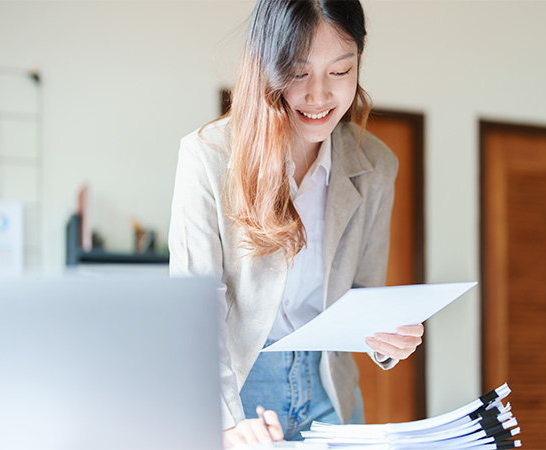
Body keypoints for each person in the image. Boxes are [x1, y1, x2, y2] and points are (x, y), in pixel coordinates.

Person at [168, 0, 424, 447]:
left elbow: (363, 293)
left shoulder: (377, 165)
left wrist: (386, 338)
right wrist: (226, 424)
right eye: (299, 73)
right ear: (265, 65)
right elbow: (193, 311)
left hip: (329, 387)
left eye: (341, 72)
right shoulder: (208, 156)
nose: (320, 96)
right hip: (240, 387)